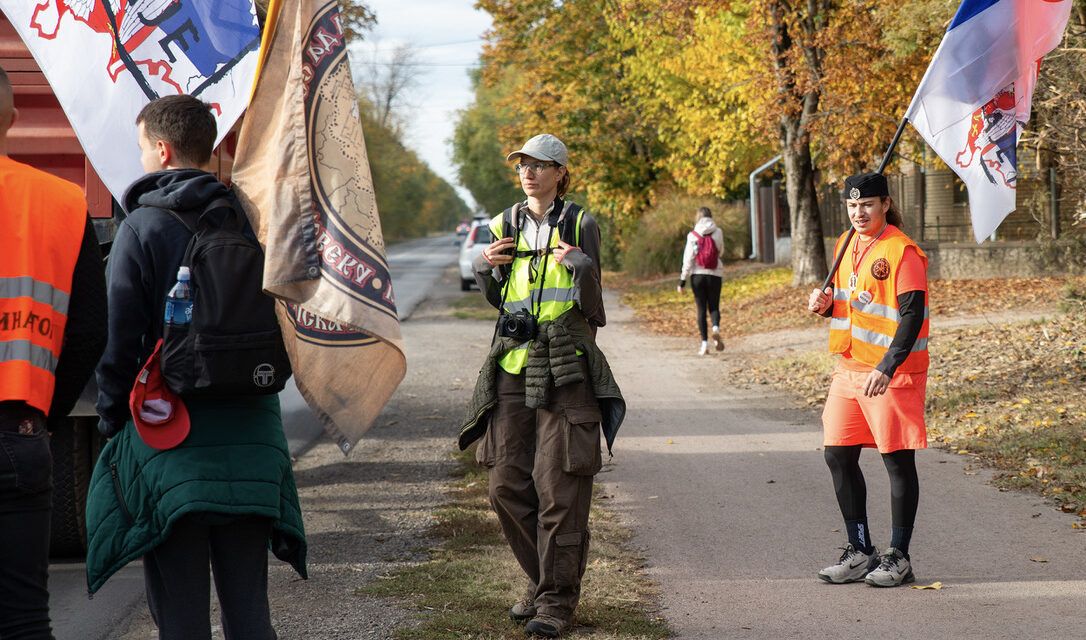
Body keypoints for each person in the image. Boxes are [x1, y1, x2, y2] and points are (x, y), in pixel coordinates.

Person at [88, 94, 306, 639]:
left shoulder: (141, 228)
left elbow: (117, 344)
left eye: (141, 149)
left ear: (162, 151)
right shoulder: (255, 218)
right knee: (250, 610)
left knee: (180, 615)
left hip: (169, 436)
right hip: (255, 433)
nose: (140, 160)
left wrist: (113, 424)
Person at [458, 134, 625, 638]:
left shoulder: (581, 223)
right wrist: (488, 267)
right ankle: (544, 579)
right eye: (522, 165)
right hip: (512, 364)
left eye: (539, 165)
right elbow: (496, 299)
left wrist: (585, 270)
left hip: (566, 367)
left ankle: (555, 601)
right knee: (505, 484)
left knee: (560, 488)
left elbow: (594, 310)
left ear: (560, 173)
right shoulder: (501, 224)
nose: (528, 173)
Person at [0, 65, 108, 640]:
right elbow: (90, 330)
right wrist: (43, 414)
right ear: (13, 120)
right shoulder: (64, 203)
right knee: (22, 619)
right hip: (17, 432)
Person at [807, 172, 930, 588]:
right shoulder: (845, 243)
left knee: (896, 460)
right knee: (837, 455)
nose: (859, 213)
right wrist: (825, 305)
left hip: (890, 374)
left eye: (868, 205)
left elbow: (911, 315)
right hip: (849, 368)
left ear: (886, 204)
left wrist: (887, 366)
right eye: (852, 206)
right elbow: (851, 301)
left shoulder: (903, 250)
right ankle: (860, 550)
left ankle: (899, 556)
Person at [677, 206, 725, 355]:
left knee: (701, 310)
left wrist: (682, 280)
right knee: (714, 306)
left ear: (697, 217)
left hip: (697, 275)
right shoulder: (718, 232)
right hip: (715, 274)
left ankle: (704, 345)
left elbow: (688, 259)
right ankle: (715, 328)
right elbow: (721, 251)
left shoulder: (693, 235)